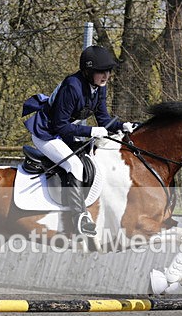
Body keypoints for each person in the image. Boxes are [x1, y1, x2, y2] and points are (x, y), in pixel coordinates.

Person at [22, 45, 135, 237]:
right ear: (88, 71)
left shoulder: (99, 87)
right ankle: (78, 218)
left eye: (108, 71)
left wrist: (123, 126)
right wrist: (90, 130)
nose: (106, 75)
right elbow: (59, 126)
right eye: (101, 71)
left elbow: (105, 120)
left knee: (96, 157)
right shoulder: (72, 86)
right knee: (74, 165)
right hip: (46, 133)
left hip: (65, 132)